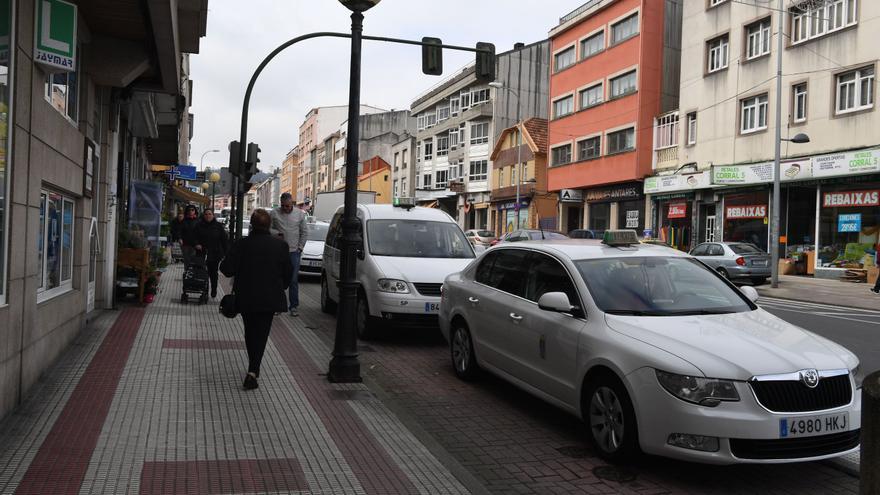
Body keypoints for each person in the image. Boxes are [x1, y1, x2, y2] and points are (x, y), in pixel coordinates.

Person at [220, 209, 292, 390]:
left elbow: (226, 269)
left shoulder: (242, 244)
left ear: (251, 224)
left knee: (250, 331)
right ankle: (253, 370)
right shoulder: (280, 246)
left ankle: (253, 369)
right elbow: (288, 274)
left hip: (246, 296)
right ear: (269, 225)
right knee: (262, 332)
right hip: (269, 297)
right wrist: (279, 287)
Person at [270, 192, 308, 316]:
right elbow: (268, 228)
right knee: (277, 279)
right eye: (283, 206)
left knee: (293, 280)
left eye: (288, 206)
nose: (285, 208)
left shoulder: (299, 214)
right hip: (278, 251)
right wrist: (276, 233)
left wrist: (300, 248)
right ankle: (278, 305)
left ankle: (293, 306)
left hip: (294, 252)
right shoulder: (274, 213)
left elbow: (304, 232)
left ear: (292, 203)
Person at [195, 208, 229, 298]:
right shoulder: (199, 225)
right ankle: (204, 290)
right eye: (206, 214)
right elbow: (194, 237)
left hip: (215, 253)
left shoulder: (218, 226)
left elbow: (224, 240)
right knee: (203, 272)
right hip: (202, 253)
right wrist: (197, 244)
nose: (208, 216)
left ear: (213, 215)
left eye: (210, 214)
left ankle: (214, 289)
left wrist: (226, 253)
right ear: (203, 215)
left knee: (213, 273)